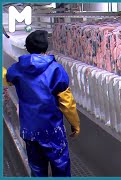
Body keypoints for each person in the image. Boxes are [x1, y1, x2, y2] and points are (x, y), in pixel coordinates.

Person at [2, 30, 80, 177]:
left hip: (29, 130)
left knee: (37, 169)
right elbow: (66, 102)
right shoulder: (55, 69)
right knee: (60, 166)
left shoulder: (18, 68)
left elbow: (6, 78)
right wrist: (75, 123)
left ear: (27, 47)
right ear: (46, 47)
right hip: (52, 129)